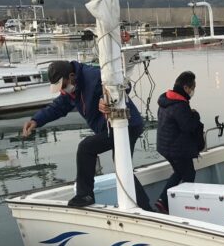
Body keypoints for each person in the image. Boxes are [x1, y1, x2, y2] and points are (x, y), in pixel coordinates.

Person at [21, 60, 151, 209]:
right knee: (122, 165)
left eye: (63, 86)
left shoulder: (93, 75)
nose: (62, 90)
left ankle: (85, 195)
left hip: (127, 125)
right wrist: (36, 120)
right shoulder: (73, 88)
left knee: (86, 148)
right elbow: (58, 107)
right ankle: (145, 207)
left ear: (71, 76)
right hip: (110, 127)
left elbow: (125, 84)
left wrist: (107, 98)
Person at [155, 71, 204, 213]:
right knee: (189, 174)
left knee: (178, 172)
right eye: (193, 87)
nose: (193, 90)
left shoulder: (166, 100)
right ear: (186, 88)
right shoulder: (179, 105)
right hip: (177, 149)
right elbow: (188, 126)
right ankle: (180, 204)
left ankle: (162, 202)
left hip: (165, 146)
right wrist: (195, 115)